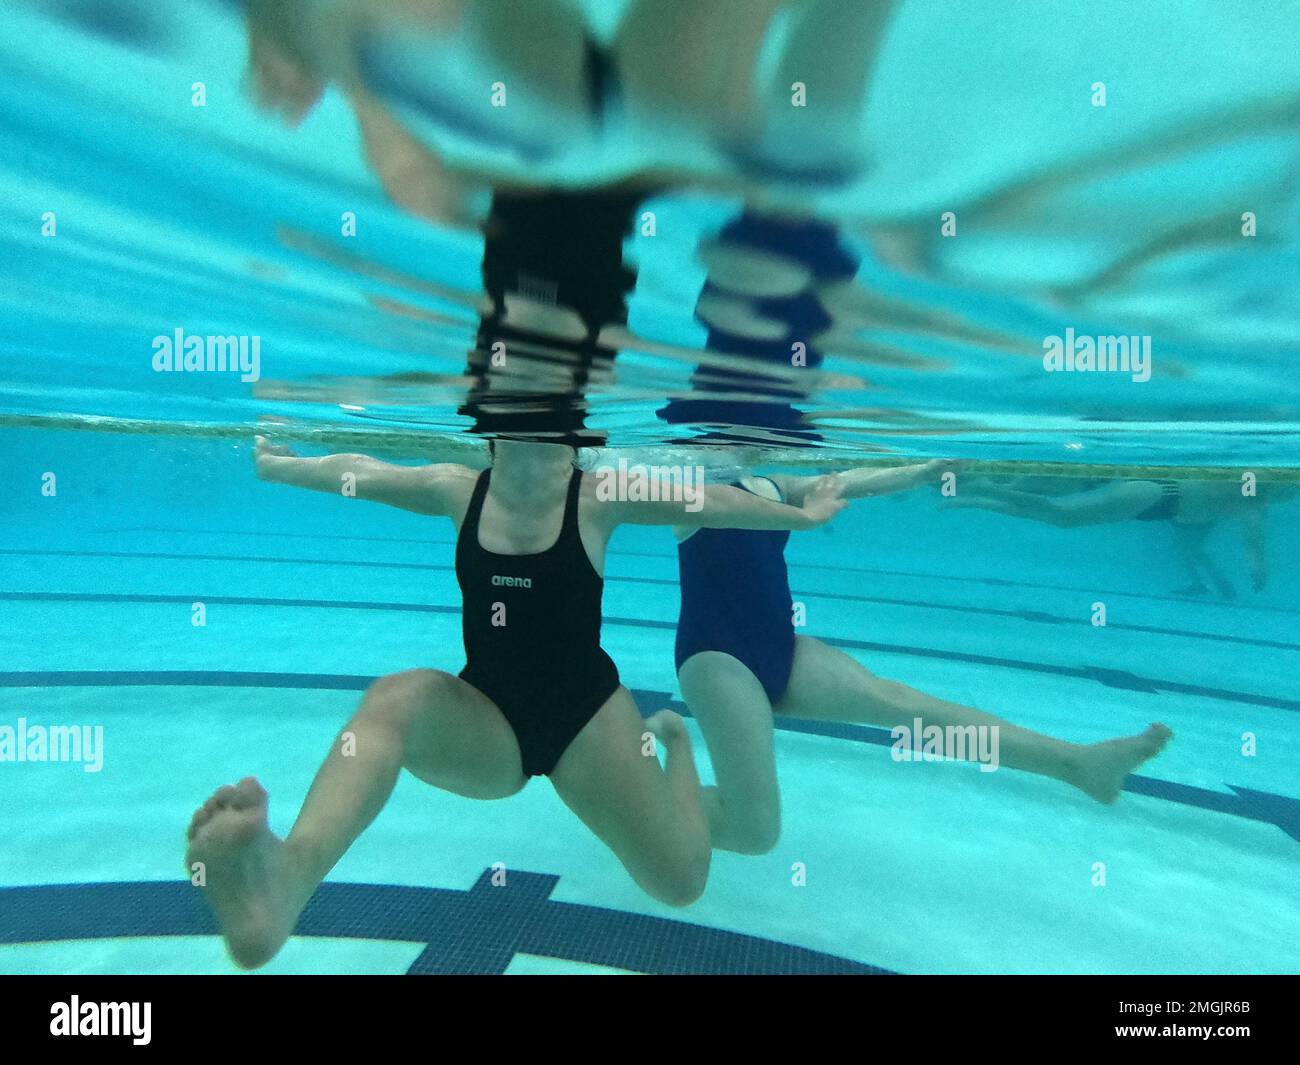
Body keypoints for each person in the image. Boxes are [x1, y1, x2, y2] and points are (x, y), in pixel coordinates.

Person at [186, 436, 846, 967]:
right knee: (397, 696)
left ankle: (672, 742)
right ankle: (286, 876)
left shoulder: (598, 494)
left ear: (573, 444)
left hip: (587, 719)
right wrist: (283, 464)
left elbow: (708, 502)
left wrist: (798, 515)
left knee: (682, 879)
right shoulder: (454, 487)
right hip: (488, 720)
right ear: (493, 438)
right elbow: (363, 471)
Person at [671, 461, 1174, 855]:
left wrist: (919, 471)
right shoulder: (688, 486)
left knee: (899, 702)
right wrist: (802, 514)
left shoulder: (771, 482)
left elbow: (844, 480)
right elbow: (715, 508)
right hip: (719, 660)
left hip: (781, 650)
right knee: (754, 833)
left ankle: (1079, 765)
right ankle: (629, 791)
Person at [945, 476, 1293, 597]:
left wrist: (1255, 564)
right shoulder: (1254, 498)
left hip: (1155, 500)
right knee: (1060, 514)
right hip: (1157, 498)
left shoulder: (1248, 495)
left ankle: (983, 497)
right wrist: (1257, 569)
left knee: (1061, 517)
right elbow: (1254, 541)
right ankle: (985, 494)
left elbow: (1250, 535)